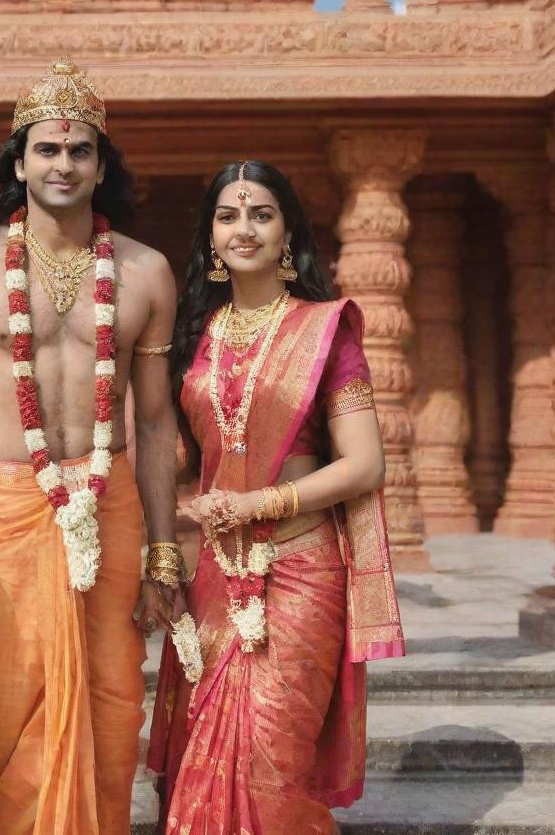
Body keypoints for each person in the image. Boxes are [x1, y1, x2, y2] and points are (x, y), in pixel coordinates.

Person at [0, 57, 184, 835]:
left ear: (103, 165)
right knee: (6, 702)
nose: (63, 164)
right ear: (18, 161)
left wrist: (164, 552)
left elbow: (154, 421)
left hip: (112, 503)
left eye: (80, 151)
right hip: (7, 501)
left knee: (111, 698)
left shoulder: (146, 272)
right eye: (46, 149)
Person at [147, 160, 405, 835]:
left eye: (261, 214)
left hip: (300, 569)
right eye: (228, 216)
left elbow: (364, 464)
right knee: (202, 754)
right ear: (209, 236)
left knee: (273, 754)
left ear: (288, 231)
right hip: (215, 573)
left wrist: (258, 504)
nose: (244, 229)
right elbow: (168, 455)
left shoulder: (325, 331)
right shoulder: (191, 338)